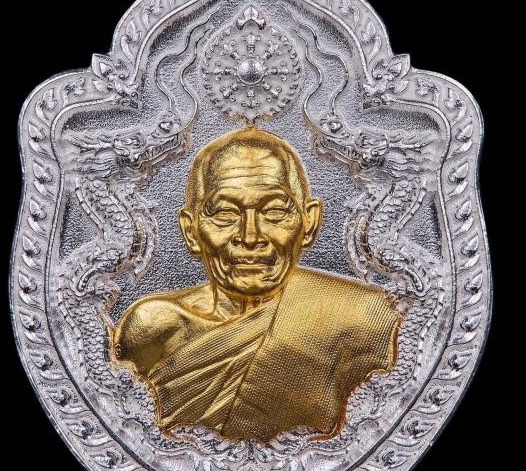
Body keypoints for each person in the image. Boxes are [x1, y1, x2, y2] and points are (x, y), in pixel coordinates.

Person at [112, 127, 401, 443]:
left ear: (309, 223)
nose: (250, 237)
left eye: (274, 211)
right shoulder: (154, 329)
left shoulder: (366, 320)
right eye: (225, 213)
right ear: (191, 230)